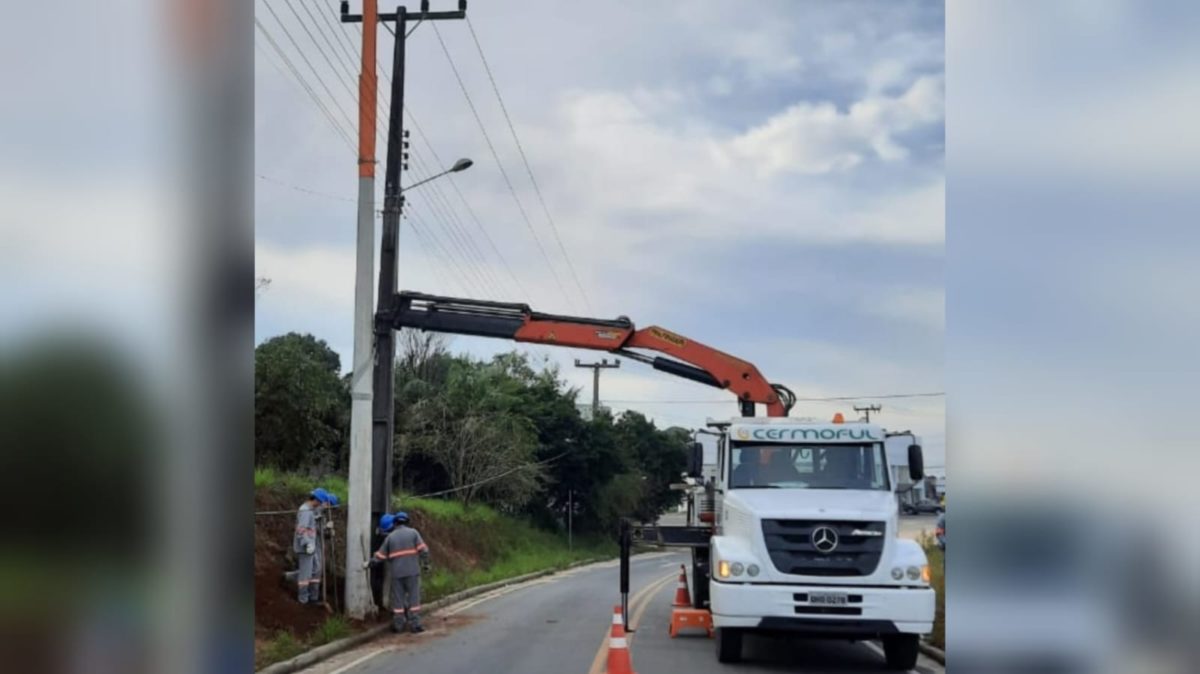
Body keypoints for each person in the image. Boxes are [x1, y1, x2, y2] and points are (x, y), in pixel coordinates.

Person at [371, 511, 431, 633]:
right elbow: (424, 550)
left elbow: (380, 556)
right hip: (412, 572)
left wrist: (370, 562)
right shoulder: (414, 533)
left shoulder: (390, 537)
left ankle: (398, 625)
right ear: (407, 521)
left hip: (397, 573)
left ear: (395, 523)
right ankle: (415, 624)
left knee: (398, 600)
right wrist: (425, 564)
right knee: (414, 598)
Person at [294, 489, 327, 605]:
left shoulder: (310, 510)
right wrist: (307, 543)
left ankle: (313, 597)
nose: (320, 504)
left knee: (316, 569)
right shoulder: (305, 511)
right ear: (316, 500)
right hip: (305, 547)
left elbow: (311, 526)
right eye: (320, 502)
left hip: (311, 546)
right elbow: (301, 530)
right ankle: (303, 599)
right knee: (305, 574)